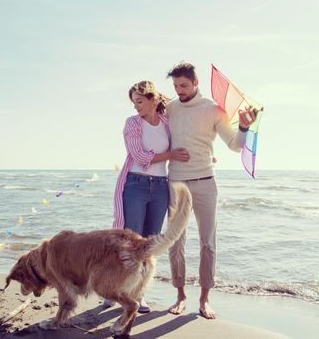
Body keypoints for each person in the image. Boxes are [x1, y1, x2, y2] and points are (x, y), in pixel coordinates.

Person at [165, 62, 257, 319]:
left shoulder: (214, 110)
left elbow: (235, 145)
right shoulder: (170, 109)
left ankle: (204, 300)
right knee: (175, 242)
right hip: (176, 183)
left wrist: (244, 127)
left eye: (183, 85)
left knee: (208, 242)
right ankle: (180, 295)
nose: (179, 90)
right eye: (175, 86)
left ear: (196, 83)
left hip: (205, 181)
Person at [106, 80, 189, 313]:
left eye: (140, 101)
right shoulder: (132, 124)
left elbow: (183, 142)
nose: (136, 107)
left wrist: (202, 156)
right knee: (129, 241)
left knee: (150, 243)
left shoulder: (166, 122)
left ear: (152, 99)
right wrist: (170, 154)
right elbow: (140, 156)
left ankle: (138, 293)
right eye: (134, 103)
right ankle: (113, 288)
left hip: (161, 187)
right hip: (136, 184)